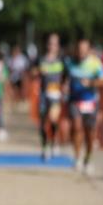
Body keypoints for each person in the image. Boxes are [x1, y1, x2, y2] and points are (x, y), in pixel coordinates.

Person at [66, 37, 103, 174]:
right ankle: (77, 158)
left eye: (84, 50)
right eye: (79, 49)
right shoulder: (70, 62)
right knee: (77, 127)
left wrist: (91, 83)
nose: (81, 52)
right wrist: (64, 86)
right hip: (74, 101)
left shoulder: (95, 63)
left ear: (89, 51)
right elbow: (65, 79)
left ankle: (88, 160)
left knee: (90, 133)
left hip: (90, 102)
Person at [34, 32, 67, 161]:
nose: (52, 46)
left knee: (53, 119)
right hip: (43, 95)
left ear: (58, 46)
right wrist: (38, 71)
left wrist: (64, 86)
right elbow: (32, 71)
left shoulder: (62, 60)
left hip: (56, 95)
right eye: (50, 43)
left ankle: (53, 142)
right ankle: (44, 146)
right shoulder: (41, 59)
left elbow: (67, 76)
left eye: (55, 44)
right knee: (42, 123)